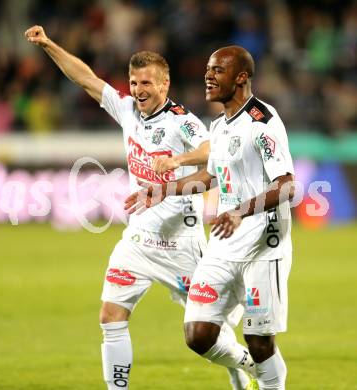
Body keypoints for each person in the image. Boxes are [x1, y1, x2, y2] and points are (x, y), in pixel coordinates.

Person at [25, 27, 258, 390]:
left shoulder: (182, 122)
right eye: (134, 82)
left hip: (182, 246)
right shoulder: (127, 111)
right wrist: (48, 44)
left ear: (165, 84)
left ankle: (242, 365)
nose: (139, 90)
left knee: (207, 334)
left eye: (146, 83)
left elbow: (216, 155)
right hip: (138, 240)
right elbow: (85, 78)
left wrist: (177, 161)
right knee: (110, 316)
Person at [125, 45, 295, 390]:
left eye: (217, 70)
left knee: (259, 340)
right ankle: (246, 372)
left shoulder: (263, 122)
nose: (208, 75)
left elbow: (288, 186)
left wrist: (239, 210)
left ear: (241, 77)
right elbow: (210, 177)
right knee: (198, 334)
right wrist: (161, 190)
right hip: (224, 242)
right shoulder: (218, 126)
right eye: (208, 69)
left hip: (265, 244)